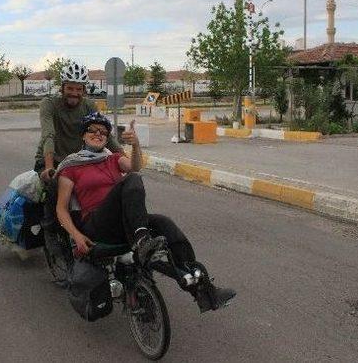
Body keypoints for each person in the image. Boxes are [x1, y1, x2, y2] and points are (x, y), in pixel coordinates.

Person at [55, 112, 236, 313]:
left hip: (123, 222)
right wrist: (77, 235)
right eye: (93, 130)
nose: (98, 134)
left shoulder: (113, 158)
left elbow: (135, 166)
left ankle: (203, 290)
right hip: (96, 224)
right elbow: (61, 209)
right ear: (83, 135)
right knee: (131, 180)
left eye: (103, 132)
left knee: (164, 223)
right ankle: (142, 239)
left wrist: (135, 145)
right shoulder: (71, 166)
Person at [34, 60, 122, 182]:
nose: (74, 93)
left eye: (78, 89)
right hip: (50, 160)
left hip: (76, 160)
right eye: (70, 88)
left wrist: (124, 157)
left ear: (83, 90)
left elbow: (103, 133)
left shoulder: (89, 105)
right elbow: (48, 135)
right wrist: (49, 167)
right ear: (62, 88)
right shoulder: (49, 104)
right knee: (55, 191)